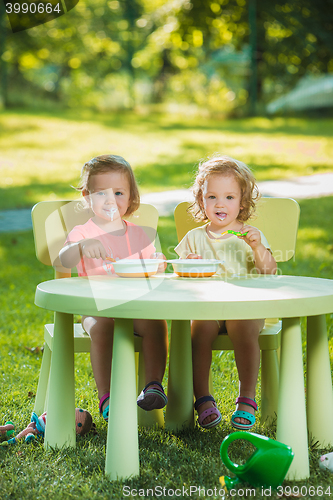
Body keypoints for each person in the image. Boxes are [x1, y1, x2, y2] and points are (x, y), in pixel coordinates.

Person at [59, 155, 168, 421]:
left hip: (135, 306)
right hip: (96, 307)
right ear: (87, 197)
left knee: (156, 325)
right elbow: (64, 259)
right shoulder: (83, 232)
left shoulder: (139, 234)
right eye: (101, 193)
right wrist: (81, 247)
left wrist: (157, 263)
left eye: (118, 193)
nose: (110, 200)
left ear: (131, 197)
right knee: (102, 328)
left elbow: (150, 266)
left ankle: (153, 385)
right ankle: (107, 396)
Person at [174, 155, 277, 431]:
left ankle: (246, 400)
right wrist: (188, 266)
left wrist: (257, 248)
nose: (220, 204)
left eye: (229, 197)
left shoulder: (249, 235)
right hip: (207, 308)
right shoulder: (194, 238)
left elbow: (269, 271)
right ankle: (203, 399)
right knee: (198, 334)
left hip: (246, 308)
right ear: (201, 200)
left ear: (242, 202)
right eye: (212, 197)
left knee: (243, 330)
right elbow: (178, 279)